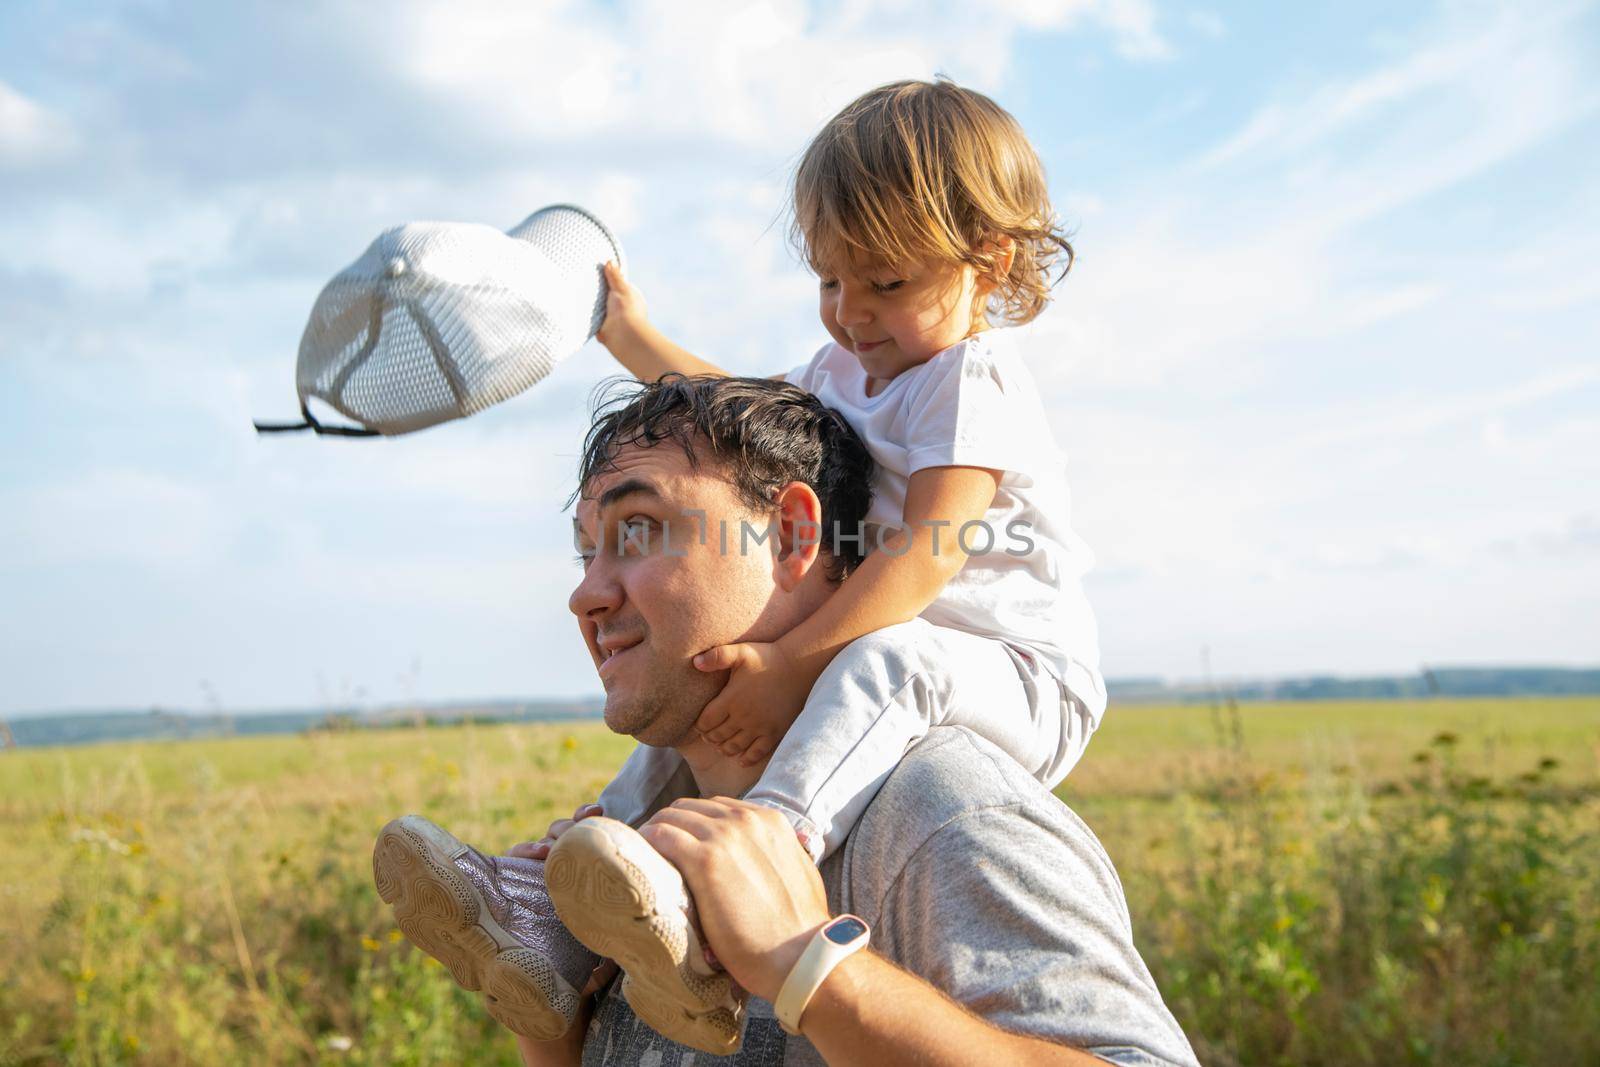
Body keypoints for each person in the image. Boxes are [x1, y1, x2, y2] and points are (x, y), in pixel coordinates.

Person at [375, 376, 1198, 1065]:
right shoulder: (634, 851)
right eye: (586, 549)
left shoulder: (940, 815)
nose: (586, 593)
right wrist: (553, 1013)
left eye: (638, 530)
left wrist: (813, 970)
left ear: (796, 535)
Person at [593, 76, 1105, 878]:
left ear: (989, 262)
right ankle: (587, 855)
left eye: (887, 283)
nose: (851, 312)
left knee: (890, 657)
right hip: (883, 645)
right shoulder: (840, 371)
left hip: (1017, 676)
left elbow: (926, 552)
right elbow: (729, 417)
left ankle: (762, 858)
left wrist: (794, 660)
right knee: (702, 663)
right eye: (831, 281)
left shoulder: (971, 380)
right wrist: (631, 339)